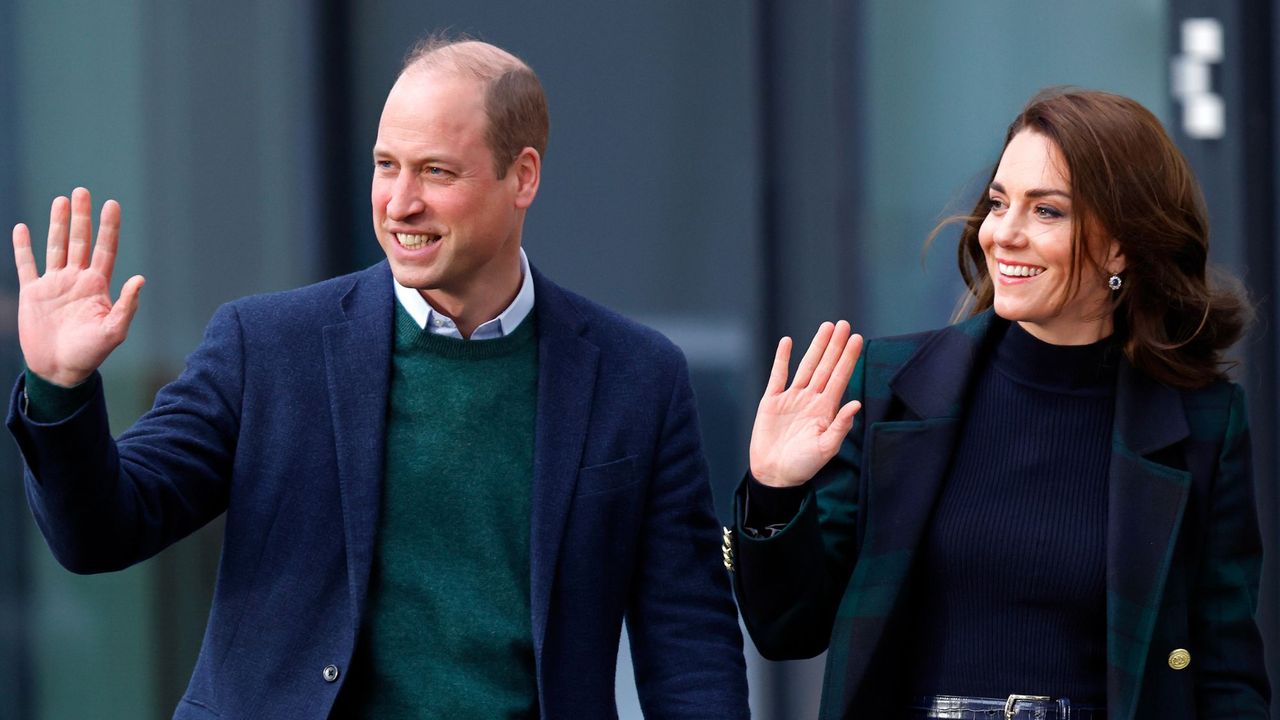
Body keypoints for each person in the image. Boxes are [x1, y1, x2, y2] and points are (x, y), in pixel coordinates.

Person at [7, 36, 749, 719]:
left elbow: (688, 639)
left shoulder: (636, 379)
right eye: (386, 165)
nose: (399, 203)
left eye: (435, 171)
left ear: (522, 176)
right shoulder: (265, 346)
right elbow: (100, 533)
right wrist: (59, 391)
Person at [726, 88, 1268, 719]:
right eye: (999, 203)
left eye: (1047, 212)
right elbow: (787, 630)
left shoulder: (1202, 421)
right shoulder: (890, 389)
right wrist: (773, 492)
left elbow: (1227, 674)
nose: (1002, 235)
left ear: (1121, 246)